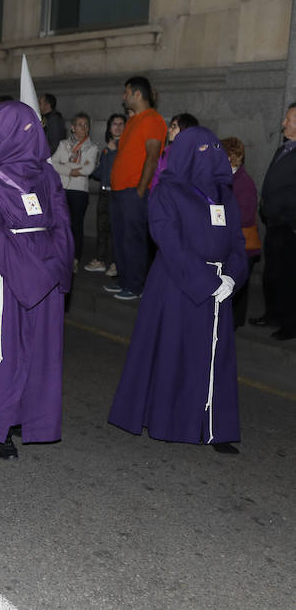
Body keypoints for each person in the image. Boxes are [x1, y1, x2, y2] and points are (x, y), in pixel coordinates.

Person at [109, 127, 248, 454]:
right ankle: (170, 420)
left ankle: (214, 425)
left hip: (220, 286)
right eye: (201, 149)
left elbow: (238, 243)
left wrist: (231, 276)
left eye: (214, 148)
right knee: (176, 353)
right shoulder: (166, 192)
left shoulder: (225, 195)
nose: (210, 155)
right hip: (177, 284)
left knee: (214, 359)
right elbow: (168, 243)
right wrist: (207, 281)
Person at [0, 101, 74, 460]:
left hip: (44, 270)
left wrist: (60, 264)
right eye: (26, 127)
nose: (35, 133)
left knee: (40, 351)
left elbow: (62, 220)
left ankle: (31, 417)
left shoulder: (46, 174)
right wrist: (32, 268)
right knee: (7, 351)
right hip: (11, 272)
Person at [105, 76, 166, 301]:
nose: (124, 97)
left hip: (133, 191)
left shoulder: (152, 120)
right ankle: (124, 280)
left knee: (134, 240)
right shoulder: (133, 121)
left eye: (126, 92)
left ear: (137, 94)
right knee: (120, 238)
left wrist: (141, 190)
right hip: (120, 190)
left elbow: (152, 157)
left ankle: (135, 285)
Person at [249, 103, 296, 340]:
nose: (283, 123)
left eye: (289, 119)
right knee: (273, 273)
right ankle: (273, 315)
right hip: (275, 224)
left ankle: (290, 324)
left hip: (290, 227)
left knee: (288, 276)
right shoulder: (284, 149)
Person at [51, 112, 98, 272]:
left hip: (79, 191)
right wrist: (72, 170)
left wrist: (65, 165)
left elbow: (88, 168)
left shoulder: (92, 148)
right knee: (61, 224)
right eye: (79, 124)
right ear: (72, 127)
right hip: (62, 189)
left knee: (76, 225)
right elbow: (53, 164)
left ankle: (75, 258)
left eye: (86, 125)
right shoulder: (63, 145)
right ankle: (60, 255)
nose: (83, 128)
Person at [221, 137, 261, 329]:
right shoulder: (227, 179)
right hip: (232, 242)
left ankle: (232, 326)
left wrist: (219, 215)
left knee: (236, 287)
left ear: (230, 158)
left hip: (242, 245)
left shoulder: (244, 183)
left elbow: (244, 216)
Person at [85, 113, 126, 275]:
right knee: (102, 229)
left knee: (117, 231)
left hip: (119, 194)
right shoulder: (106, 149)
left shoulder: (126, 146)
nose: (117, 127)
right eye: (114, 124)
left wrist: (113, 153)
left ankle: (117, 262)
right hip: (104, 193)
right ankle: (100, 260)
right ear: (109, 128)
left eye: (121, 124)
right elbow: (100, 173)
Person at [151, 113, 199, 192]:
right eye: (170, 126)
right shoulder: (166, 152)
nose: (169, 130)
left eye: (174, 126)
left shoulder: (194, 154)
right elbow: (156, 178)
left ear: (185, 129)